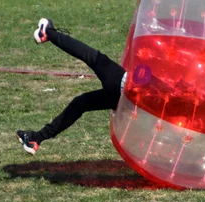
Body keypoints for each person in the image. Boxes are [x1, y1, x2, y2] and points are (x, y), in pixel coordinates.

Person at [16, 18, 127, 155]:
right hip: (126, 103)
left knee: (92, 56)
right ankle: (35, 139)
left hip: (124, 86)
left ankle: (47, 33)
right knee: (82, 103)